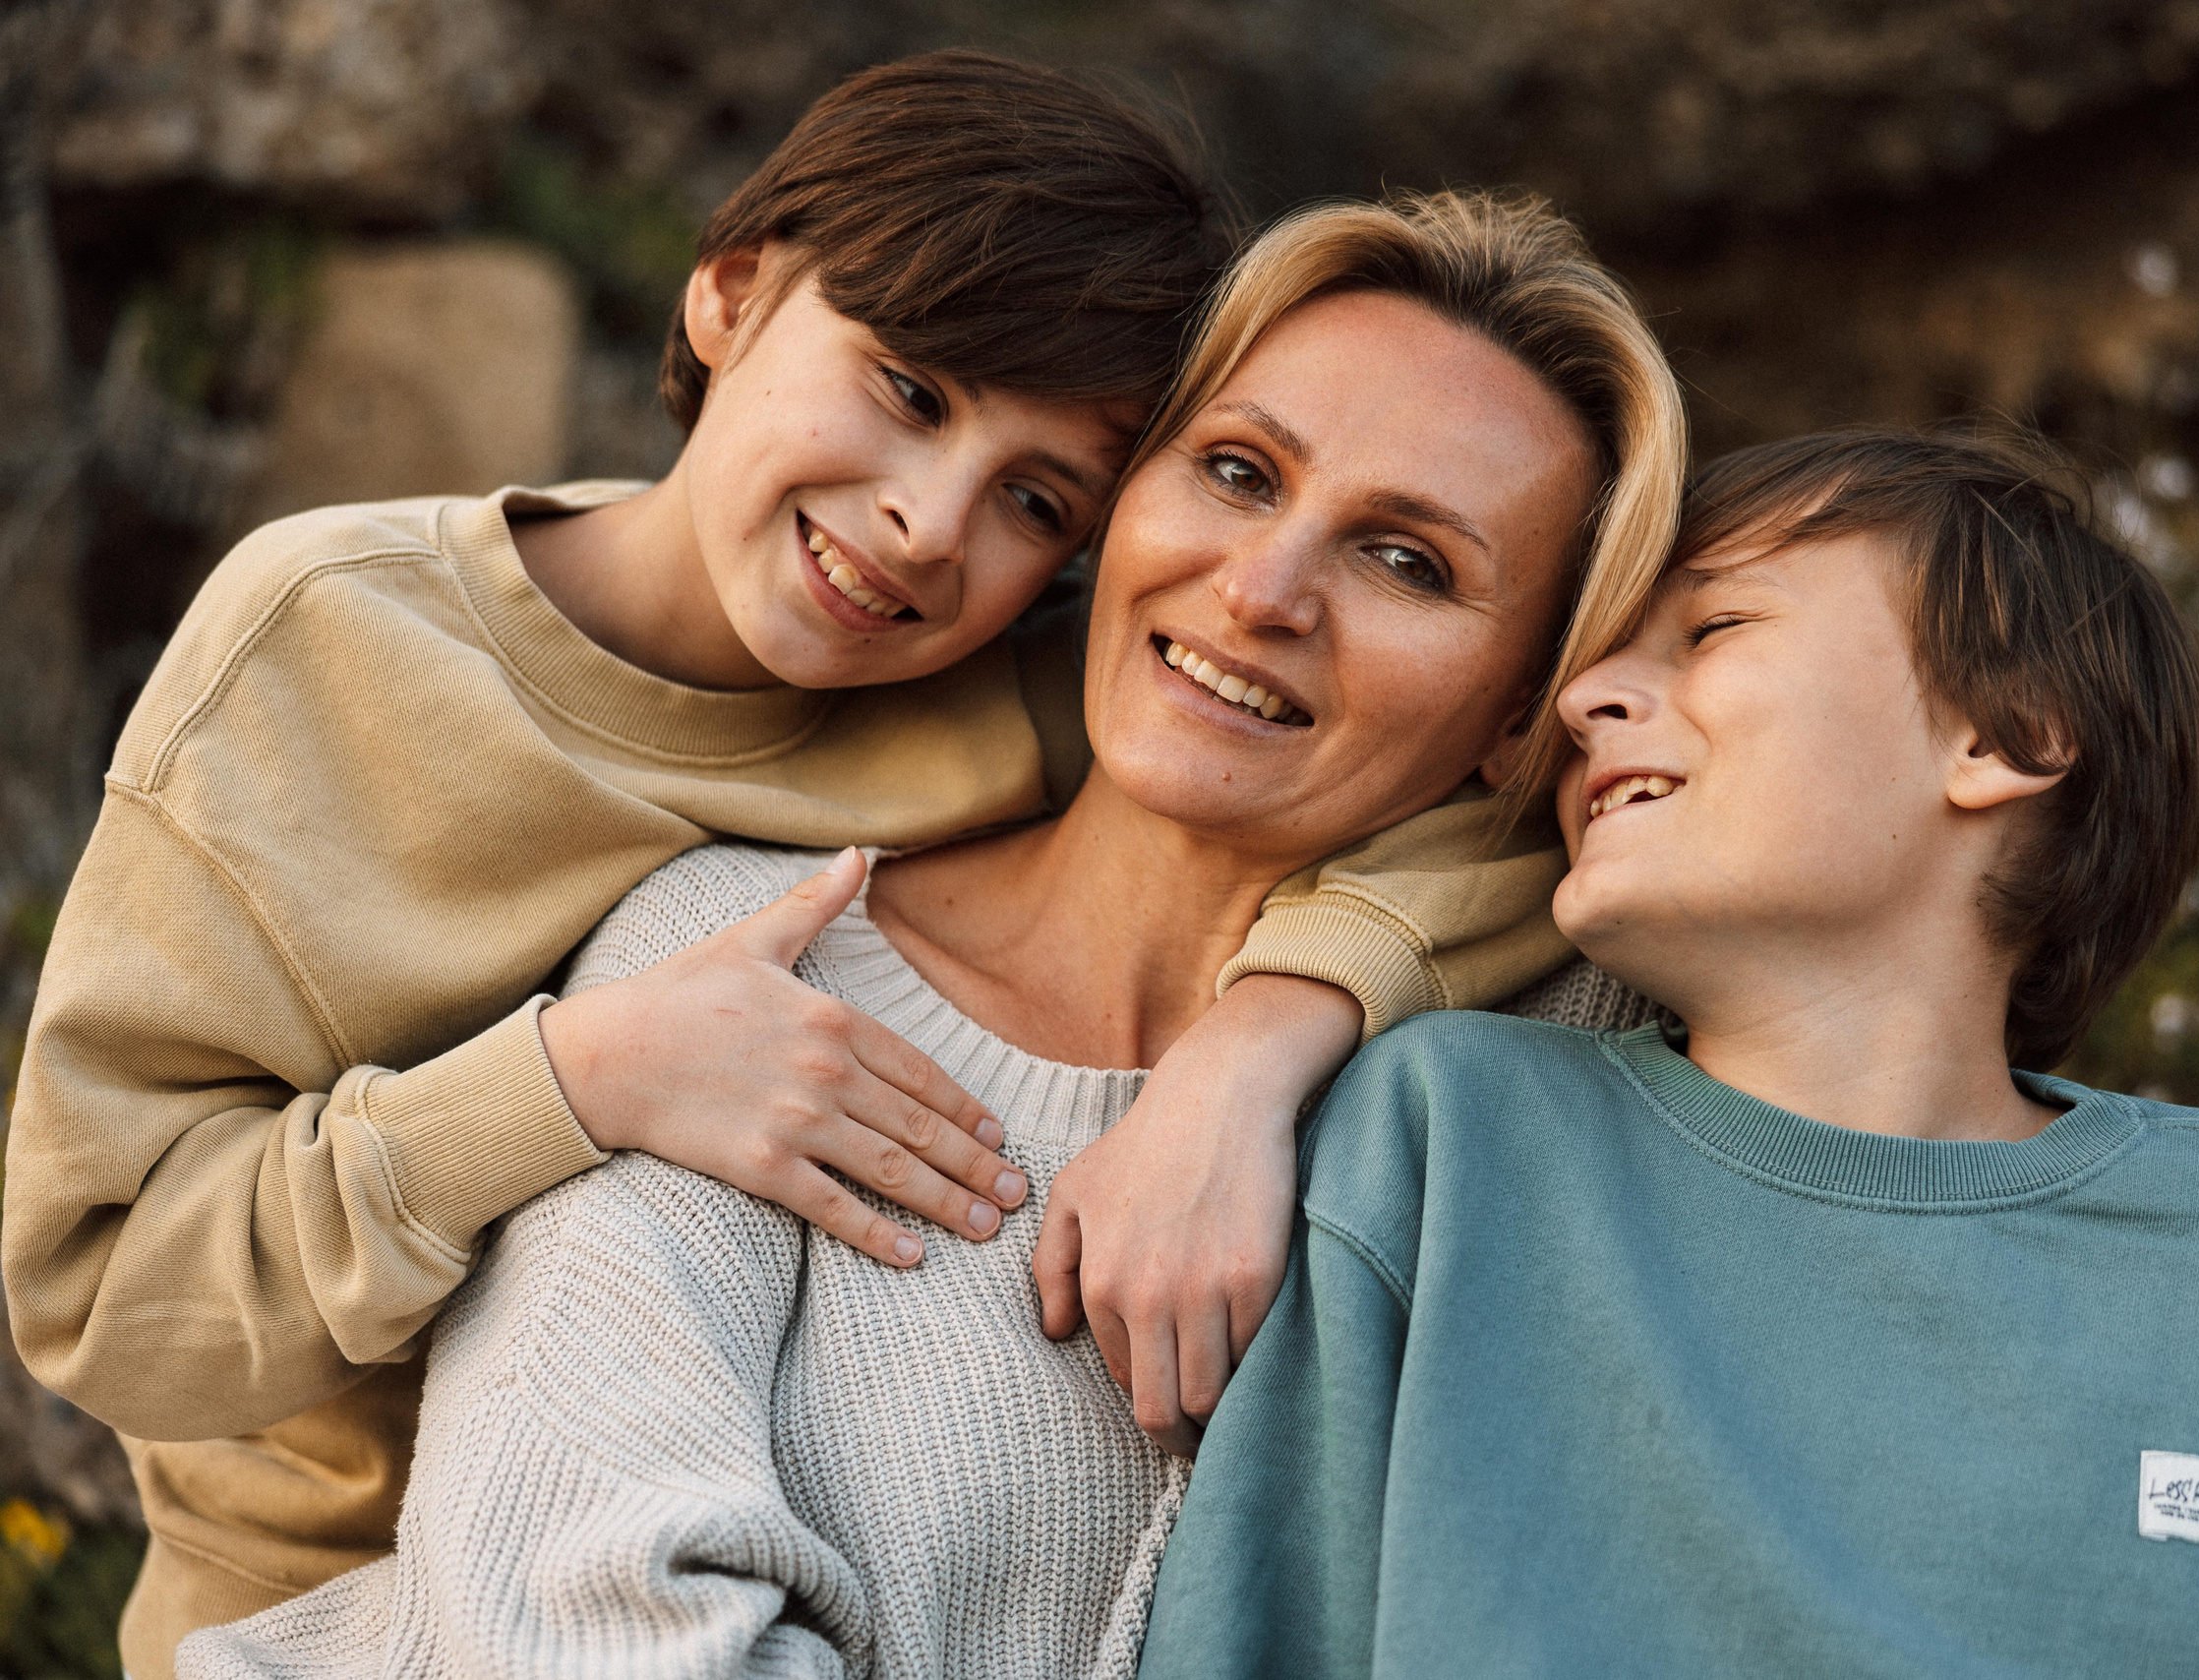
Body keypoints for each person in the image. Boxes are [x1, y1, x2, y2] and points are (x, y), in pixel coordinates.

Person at [1, 56, 1587, 1679]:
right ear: (732, 293)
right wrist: (573, 1082)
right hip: (329, 1608)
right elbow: (101, 1298)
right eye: (910, 392)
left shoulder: (1022, 680)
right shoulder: (332, 643)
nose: (928, 525)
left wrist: (1257, 1048)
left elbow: (1519, 822)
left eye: (1036, 498)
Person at [1139, 427, 2199, 1679]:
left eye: (1713, 628)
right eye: (1598, 659)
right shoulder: (1445, 1146)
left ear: (2006, 734)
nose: (1587, 697)